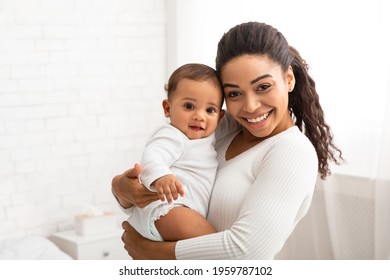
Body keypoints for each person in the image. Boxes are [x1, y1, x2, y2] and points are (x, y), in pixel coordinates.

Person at [112, 22, 343, 259]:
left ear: (289, 79)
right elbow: (167, 173)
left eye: (263, 86)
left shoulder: (291, 151)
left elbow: (248, 251)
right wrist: (121, 188)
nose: (250, 106)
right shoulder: (220, 130)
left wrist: (150, 252)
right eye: (234, 93)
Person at [125, 63, 225, 242]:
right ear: (167, 108)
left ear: (221, 116)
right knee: (215, 243)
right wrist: (161, 175)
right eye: (189, 106)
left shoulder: (208, 135)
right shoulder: (173, 135)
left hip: (185, 210)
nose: (200, 116)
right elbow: (153, 155)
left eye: (210, 110)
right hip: (168, 209)